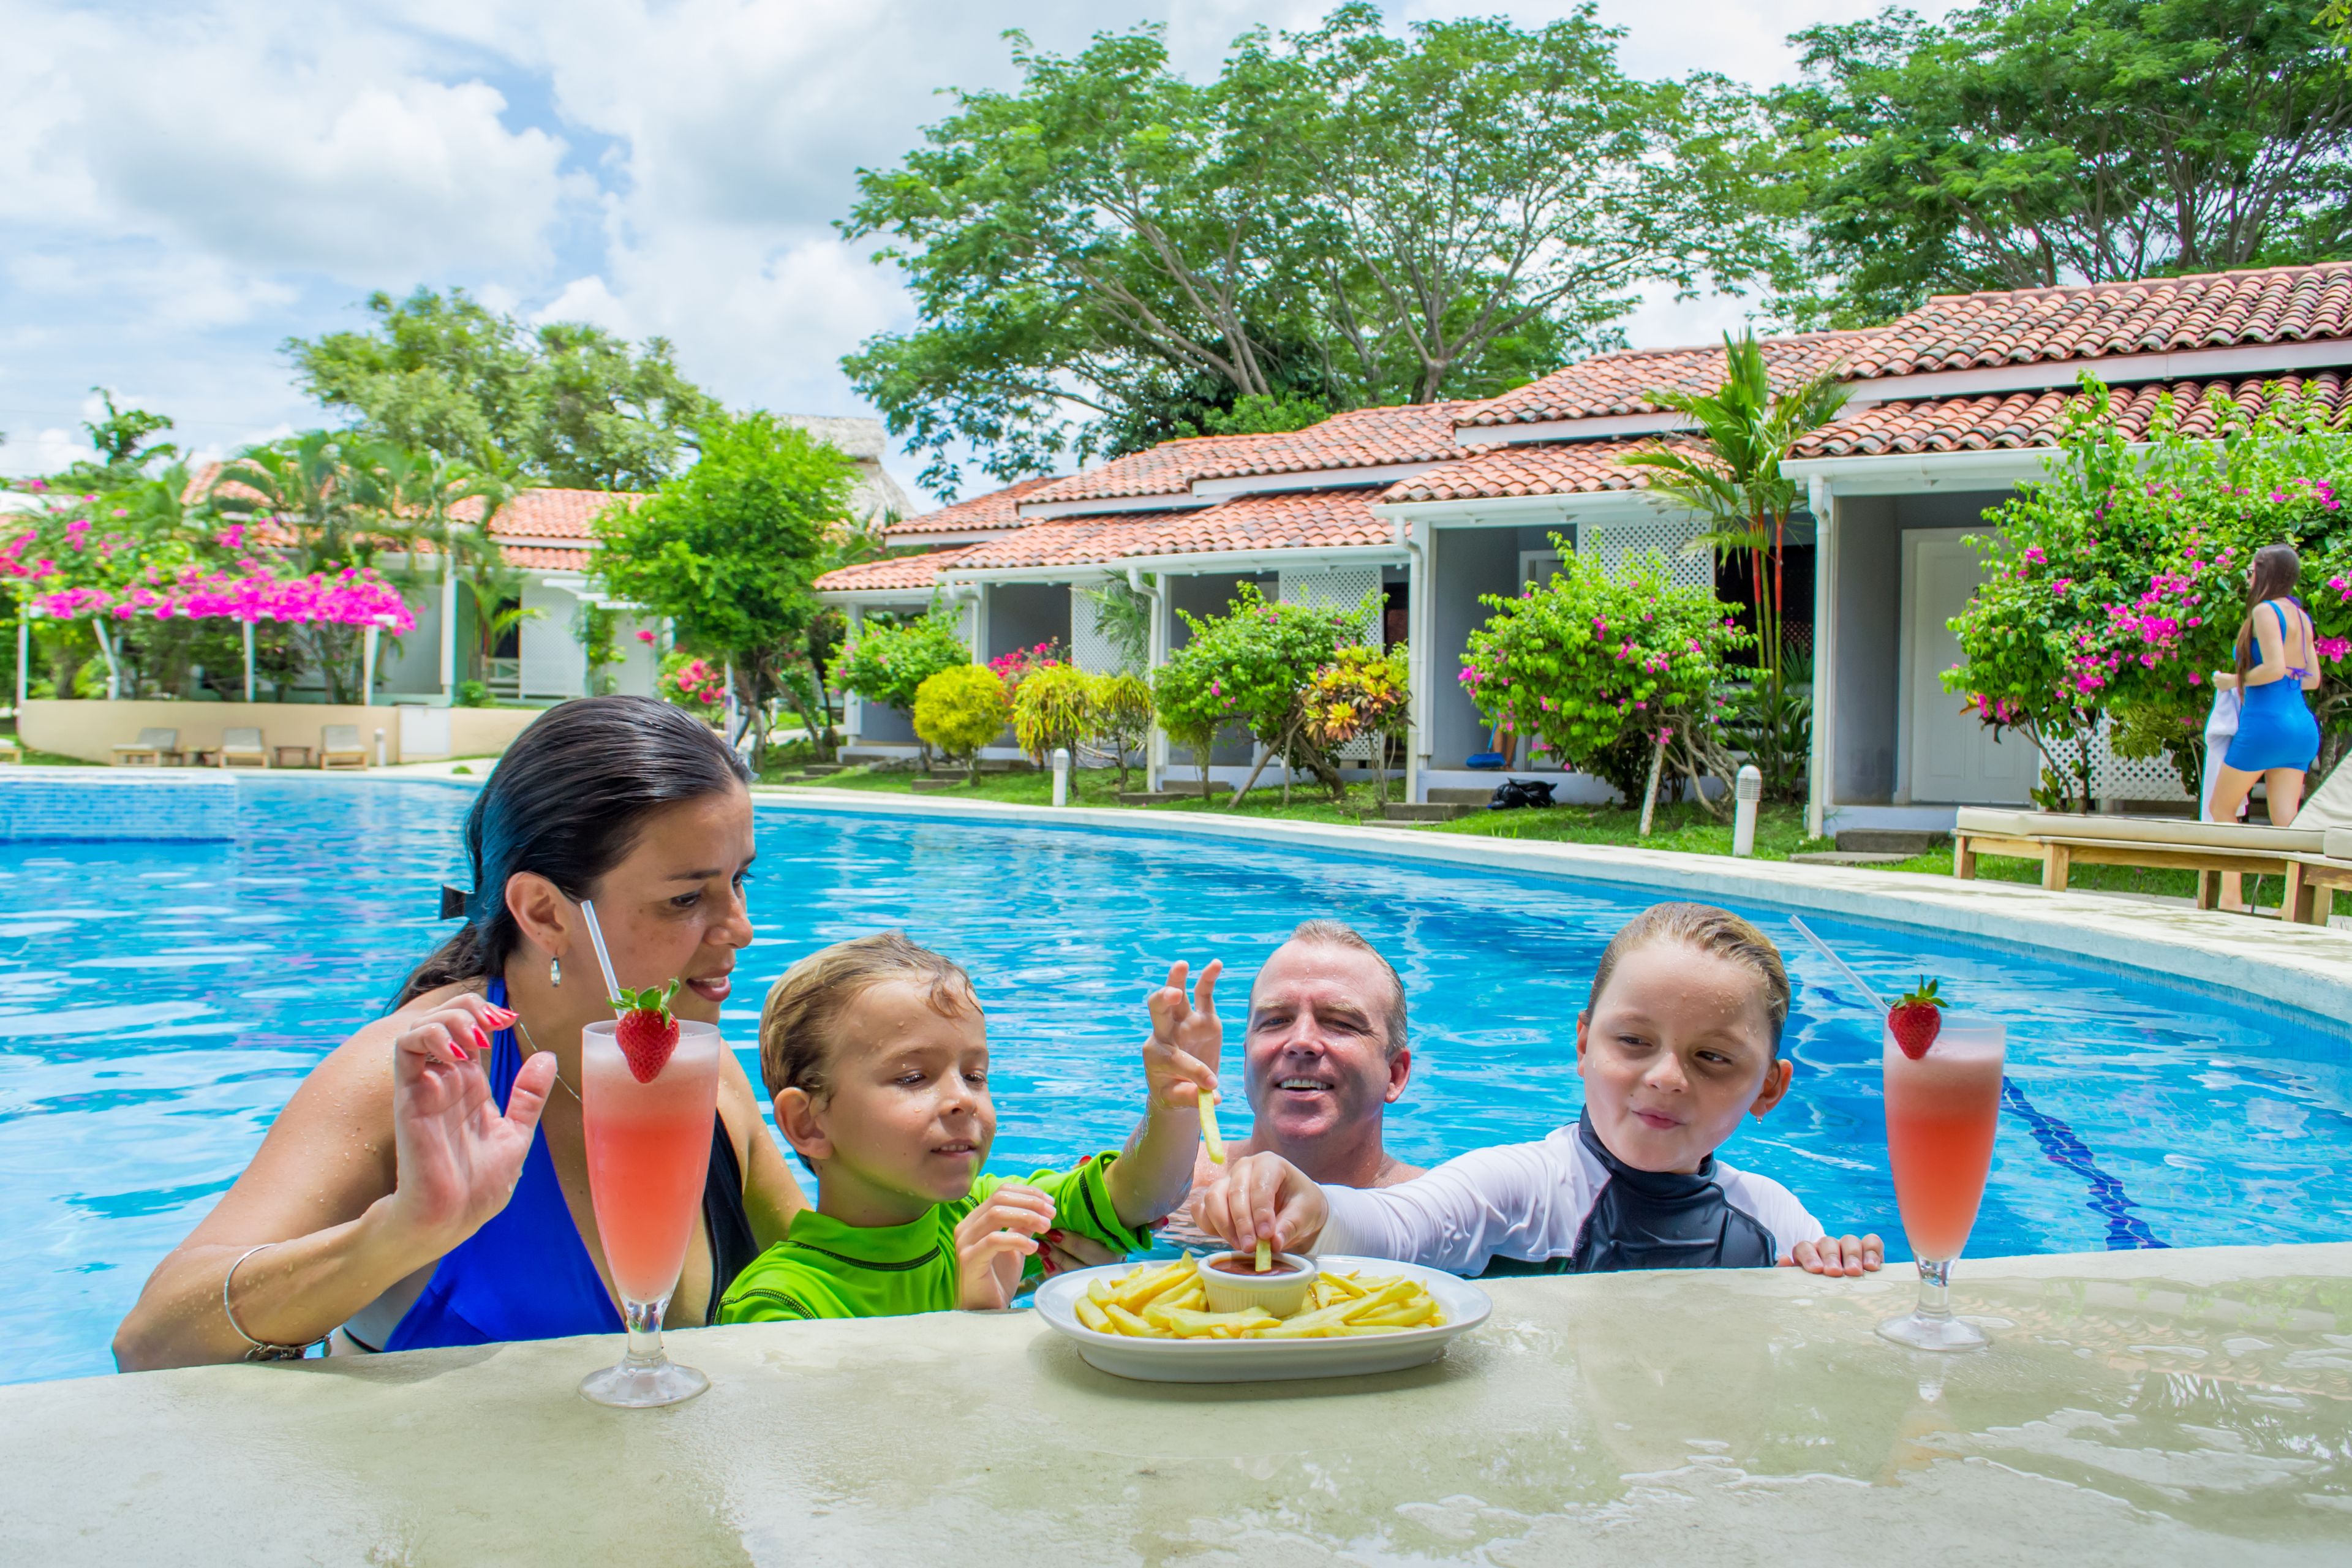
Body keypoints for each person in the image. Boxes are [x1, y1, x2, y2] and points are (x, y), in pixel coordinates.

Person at [111, 696, 808, 1369]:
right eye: (685, 898)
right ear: (544, 912)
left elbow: (822, 1283)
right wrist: (398, 1234)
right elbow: (152, 1339)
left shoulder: (700, 1074)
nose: (740, 928)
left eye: (740, 880)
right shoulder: (411, 1075)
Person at [1192, 902, 1883, 1278]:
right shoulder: (1519, 1187)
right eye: (1634, 1042)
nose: (1667, 1077)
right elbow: (1400, 1228)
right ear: (1583, 1045)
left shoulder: (1775, 1218)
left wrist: (1836, 1268)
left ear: (1769, 1088)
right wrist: (1312, 1207)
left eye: (1712, 1057)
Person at [716, 935, 1218, 1322]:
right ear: (808, 1124)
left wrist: (1173, 1106)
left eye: (975, 1075)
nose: (962, 1099)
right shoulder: (780, 1303)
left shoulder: (989, 1216)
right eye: (913, 1078)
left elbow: (1141, 1195)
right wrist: (973, 1319)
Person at [2207, 543, 2323, 831]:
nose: (2248, 579)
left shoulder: (2265, 611)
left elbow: (2273, 669)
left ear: (2264, 574)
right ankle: (2301, 878)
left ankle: (2230, 879)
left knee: (2221, 810)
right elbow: (2312, 679)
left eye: (2251, 571)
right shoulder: (2301, 617)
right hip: (2301, 730)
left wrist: (2232, 681)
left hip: (2266, 726)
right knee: (2285, 823)